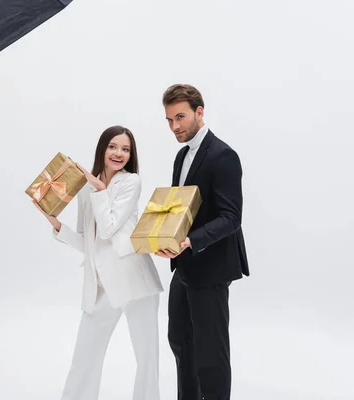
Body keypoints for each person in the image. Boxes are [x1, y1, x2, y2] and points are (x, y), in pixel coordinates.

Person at [33, 126, 164, 400]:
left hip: (134, 278)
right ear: (102, 148)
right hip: (101, 283)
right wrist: (58, 226)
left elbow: (109, 229)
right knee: (85, 354)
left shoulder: (131, 182)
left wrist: (101, 190)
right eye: (113, 147)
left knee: (146, 357)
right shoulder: (85, 189)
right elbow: (87, 242)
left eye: (125, 149)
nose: (119, 153)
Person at [156, 83, 249, 400]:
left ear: (199, 112)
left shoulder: (223, 156)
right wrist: (162, 236)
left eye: (180, 117)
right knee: (180, 341)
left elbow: (231, 217)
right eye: (169, 120)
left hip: (210, 269)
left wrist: (191, 242)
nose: (175, 126)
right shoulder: (181, 156)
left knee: (211, 354)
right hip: (183, 267)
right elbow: (177, 208)